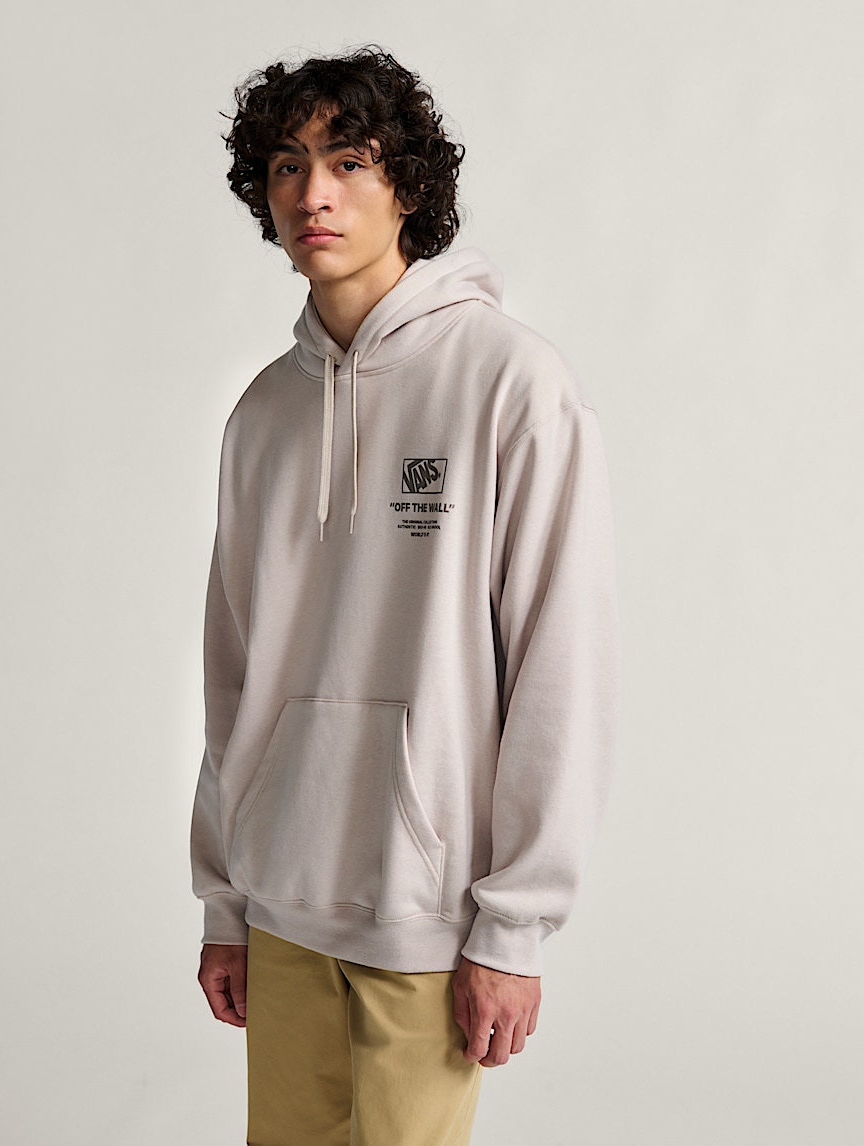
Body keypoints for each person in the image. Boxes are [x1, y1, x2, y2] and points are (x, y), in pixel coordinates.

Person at [191, 45, 620, 1146]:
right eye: (287, 165)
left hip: (427, 918)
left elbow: (559, 668)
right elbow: (232, 672)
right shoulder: (261, 416)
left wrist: (512, 927)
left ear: (409, 188)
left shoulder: (511, 384)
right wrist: (225, 900)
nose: (313, 194)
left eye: (348, 161)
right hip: (280, 907)